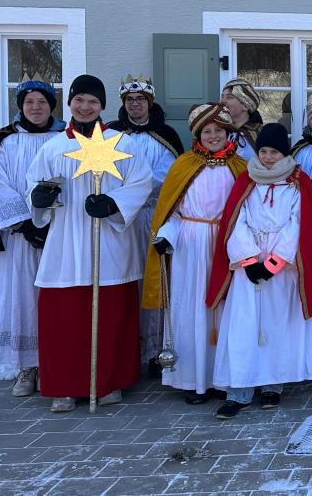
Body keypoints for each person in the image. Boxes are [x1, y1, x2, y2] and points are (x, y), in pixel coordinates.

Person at [26, 74, 153, 412]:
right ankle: (65, 386)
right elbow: (35, 185)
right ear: (70, 103)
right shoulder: (54, 147)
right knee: (64, 319)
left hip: (107, 239)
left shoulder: (122, 144)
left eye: (92, 102)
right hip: (67, 241)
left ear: (102, 106)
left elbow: (141, 182)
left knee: (110, 315)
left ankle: (109, 381)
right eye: (79, 100)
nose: (85, 107)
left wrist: (114, 204)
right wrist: (39, 198)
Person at [206, 123, 312, 419]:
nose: (268, 157)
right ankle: (239, 390)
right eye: (264, 151)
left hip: (282, 268)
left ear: (285, 153)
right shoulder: (247, 180)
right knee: (243, 326)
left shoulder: (297, 182)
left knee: (276, 325)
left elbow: (299, 225)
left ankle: (273, 384)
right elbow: (235, 219)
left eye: (274, 152)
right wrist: (249, 259)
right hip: (249, 264)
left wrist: (272, 264)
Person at [0, 78, 65, 396]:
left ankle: (55, 364)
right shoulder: (3, 142)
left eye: (42, 102)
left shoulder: (64, 139)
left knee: (55, 299)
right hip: (19, 238)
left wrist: (48, 221)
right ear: (20, 106)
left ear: (52, 106)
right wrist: (26, 223)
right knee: (21, 298)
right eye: (29, 102)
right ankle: (26, 367)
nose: (36, 107)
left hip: (57, 234)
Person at [142, 103, 246, 404]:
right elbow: (171, 211)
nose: (213, 136)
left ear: (228, 133)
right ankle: (191, 379)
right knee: (190, 308)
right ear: (198, 135)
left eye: (219, 131)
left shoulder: (239, 167)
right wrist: (165, 236)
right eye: (207, 131)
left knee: (222, 310)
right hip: (189, 244)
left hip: (226, 244)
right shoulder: (183, 165)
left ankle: (220, 378)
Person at [108, 75, 184, 374]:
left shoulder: (165, 134)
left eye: (140, 100)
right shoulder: (111, 135)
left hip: (154, 214)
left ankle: (156, 348)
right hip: (120, 219)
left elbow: (172, 177)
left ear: (149, 103)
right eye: (129, 100)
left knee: (156, 278)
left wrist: (139, 186)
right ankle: (127, 348)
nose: (134, 105)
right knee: (125, 278)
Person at [221, 77, 264, 161]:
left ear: (245, 105)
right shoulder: (219, 132)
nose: (222, 101)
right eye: (222, 97)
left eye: (229, 97)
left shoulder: (261, 135)